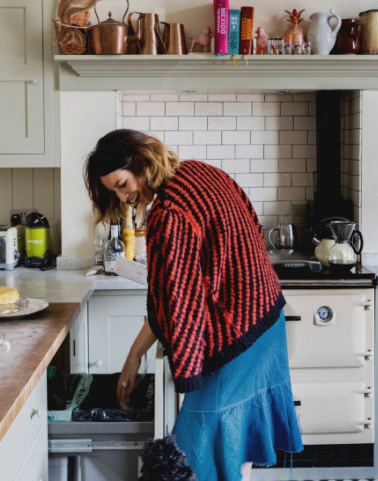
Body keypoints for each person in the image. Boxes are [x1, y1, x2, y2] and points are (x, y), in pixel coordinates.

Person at [84, 129, 303, 480]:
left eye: (122, 184)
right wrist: (135, 354)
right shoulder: (199, 171)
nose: (124, 197)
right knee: (235, 448)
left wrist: (161, 363)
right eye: (115, 192)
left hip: (236, 340)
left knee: (196, 452)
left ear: (141, 163)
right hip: (265, 321)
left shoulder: (169, 212)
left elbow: (177, 302)